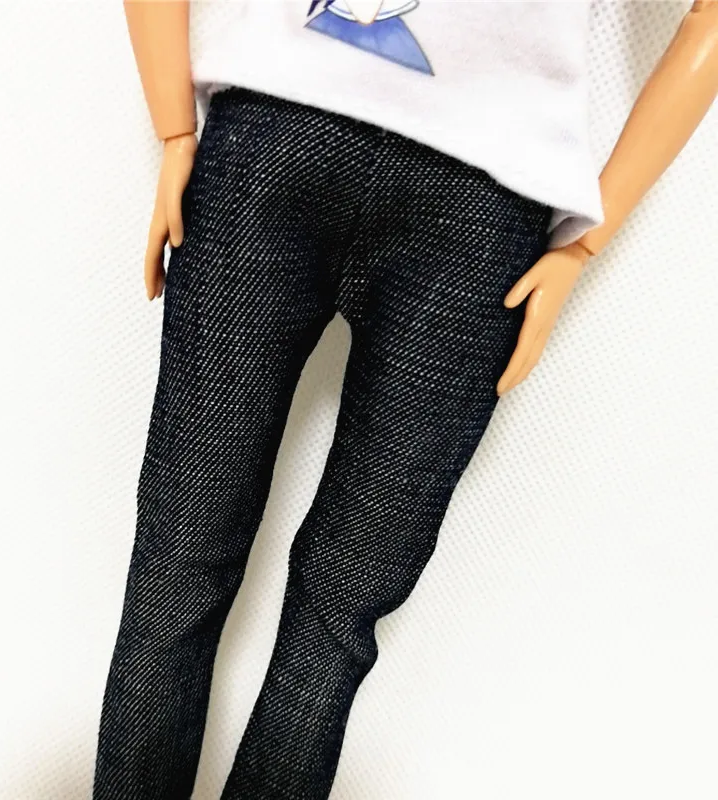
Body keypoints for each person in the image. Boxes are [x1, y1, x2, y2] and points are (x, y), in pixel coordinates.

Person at [93, 2, 718, 798]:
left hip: (462, 204)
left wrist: (586, 240)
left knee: (316, 601)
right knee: (201, 570)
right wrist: (175, 129)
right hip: (290, 142)